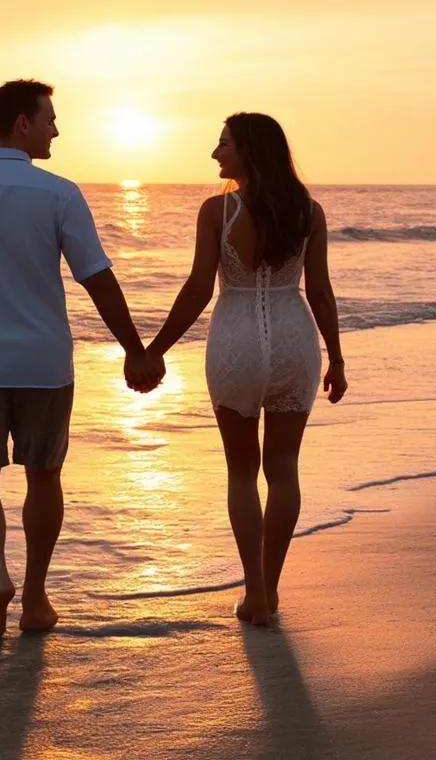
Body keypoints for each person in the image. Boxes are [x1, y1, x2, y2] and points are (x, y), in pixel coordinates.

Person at [0, 79, 164, 640]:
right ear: (22, 123)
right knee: (43, 474)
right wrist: (135, 349)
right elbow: (95, 274)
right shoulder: (58, 193)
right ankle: (36, 599)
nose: (57, 128)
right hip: (43, 362)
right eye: (50, 117)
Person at [148, 113, 346, 625]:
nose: (216, 154)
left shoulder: (218, 211)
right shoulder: (309, 212)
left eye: (224, 144)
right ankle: (271, 591)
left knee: (242, 471)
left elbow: (197, 289)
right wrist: (338, 357)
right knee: (283, 471)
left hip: (235, 341)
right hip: (294, 342)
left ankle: (254, 591)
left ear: (249, 152)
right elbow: (320, 292)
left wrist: (156, 349)